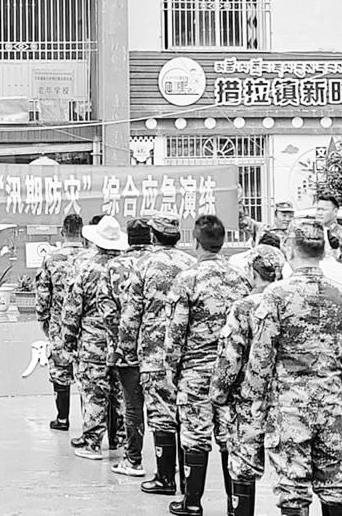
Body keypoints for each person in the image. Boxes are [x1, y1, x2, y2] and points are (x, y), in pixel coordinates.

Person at [243, 219, 342, 516]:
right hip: (331, 399)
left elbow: (262, 353)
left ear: (289, 249)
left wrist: (254, 397)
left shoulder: (276, 294)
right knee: (333, 482)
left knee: (293, 487)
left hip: (289, 404)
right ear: (323, 251)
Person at [164, 214, 251, 516]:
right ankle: (234, 506)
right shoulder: (241, 278)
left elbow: (176, 330)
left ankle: (192, 502)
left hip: (195, 371)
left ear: (195, 242)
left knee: (195, 436)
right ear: (222, 242)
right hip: (231, 372)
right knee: (229, 437)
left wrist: (171, 367)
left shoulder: (187, 279)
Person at [119, 211, 196, 497]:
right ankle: (189, 480)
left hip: (154, 353)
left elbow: (131, 313)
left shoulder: (144, 265)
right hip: (187, 354)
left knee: (161, 415)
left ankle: (165, 478)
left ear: (153, 235)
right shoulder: (191, 263)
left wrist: (126, 349)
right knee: (185, 415)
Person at [210, 245, 283, 516]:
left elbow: (231, 357)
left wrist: (218, 393)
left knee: (243, 465)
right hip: (286, 398)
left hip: (249, 399)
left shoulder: (243, 307)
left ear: (252, 272)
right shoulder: (288, 301)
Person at [60, 215, 126, 461]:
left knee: (94, 394)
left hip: (92, 343)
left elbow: (72, 309)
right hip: (121, 343)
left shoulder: (85, 268)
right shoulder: (126, 268)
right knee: (120, 393)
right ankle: (121, 439)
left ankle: (92, 443)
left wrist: (68, 341)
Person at [106, 218, 152, 477]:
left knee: (133, 405)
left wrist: (118, 345)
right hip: (160, 348)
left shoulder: (115, 266)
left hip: (128, 347)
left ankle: (134, 459)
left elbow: (109, 312)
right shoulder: (168, 263)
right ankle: (171, 465)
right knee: (167, 408)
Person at [34, 213, 85, 432]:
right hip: (87, 325)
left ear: (62, 232)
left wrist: (43, 318)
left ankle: (62, 419)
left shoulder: (51, 259)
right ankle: (89, 423)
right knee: (87, 373)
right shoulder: (92, 258)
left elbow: (43, 293)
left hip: (60, 323)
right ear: (82, 232)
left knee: (60, 370)